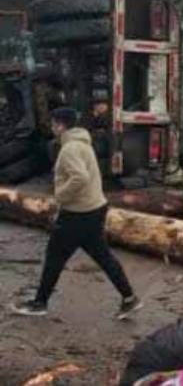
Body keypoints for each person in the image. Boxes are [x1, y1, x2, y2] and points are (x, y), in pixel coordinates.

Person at [11, 108, 141, 319]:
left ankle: (40, 303)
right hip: (94, 209)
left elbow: (79, 177)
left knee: (54, 257)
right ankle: (129, 298)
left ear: (61, 125)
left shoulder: (70, 148)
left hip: (78, 213)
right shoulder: (82, 143)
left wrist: (60, 196)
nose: (52, 128)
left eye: (54, 124)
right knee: (103, 256)